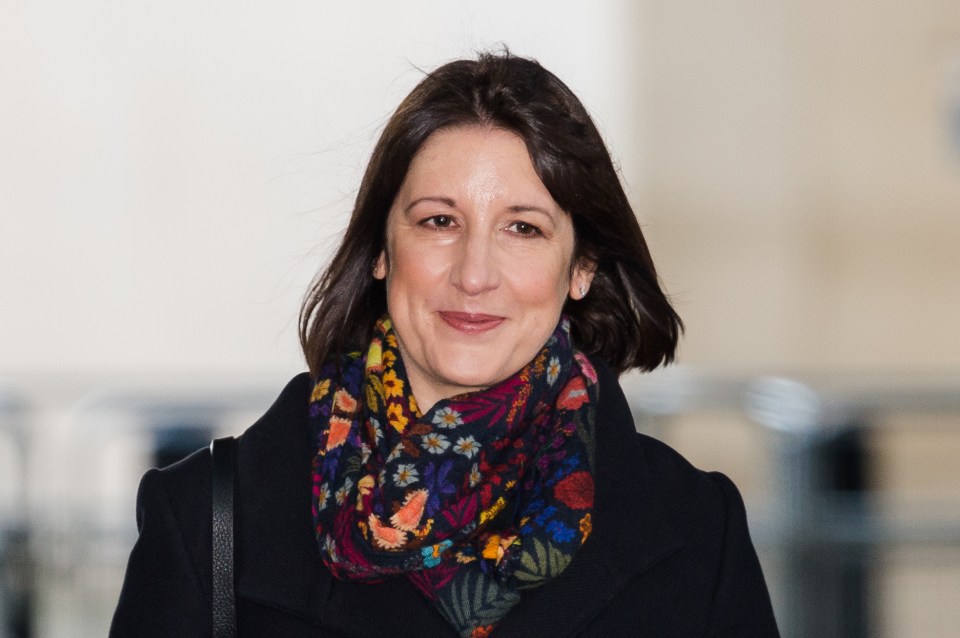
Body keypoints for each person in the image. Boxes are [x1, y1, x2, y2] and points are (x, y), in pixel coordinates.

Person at [110, 52, 779, 637]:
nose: (474, 274)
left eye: (523, 228)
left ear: (581, 269)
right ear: (380, 249)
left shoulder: (696, 531)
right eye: (438, 222)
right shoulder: (207, 524)